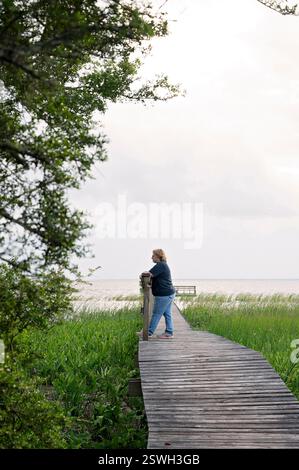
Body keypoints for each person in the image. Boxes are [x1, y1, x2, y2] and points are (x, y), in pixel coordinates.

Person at [139, 248, 176, 339]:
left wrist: (142, 275)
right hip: (168, 293)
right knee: (167, 314)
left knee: (156, 313)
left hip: (164, 295)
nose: (151, 257)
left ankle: (149, 332)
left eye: (153, 256)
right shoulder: (162, 265)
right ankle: (169, 332)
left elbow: (149, 273)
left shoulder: (161, 265)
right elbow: (151, 274)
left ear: (159, 256)